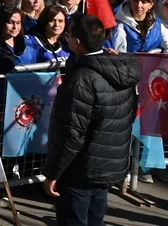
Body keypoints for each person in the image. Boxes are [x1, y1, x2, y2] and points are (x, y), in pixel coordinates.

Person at [43, 15, 139, 226]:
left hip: (80, 169)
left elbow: (70, 134)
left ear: (77, 42)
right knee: (96, 219)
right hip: (108, 163)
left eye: (69, 35)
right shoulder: (119, 69)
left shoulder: (81, 80)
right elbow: (130, 113)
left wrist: (53, 172)